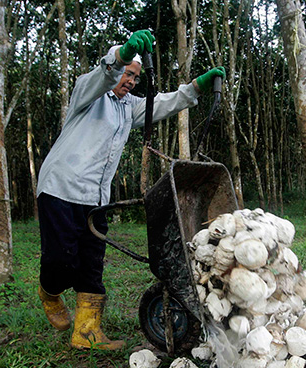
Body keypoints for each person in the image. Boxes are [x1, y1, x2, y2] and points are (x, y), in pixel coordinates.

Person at [35, 29, 225, 350]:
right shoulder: (88, 93)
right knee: (61, 261)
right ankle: (49, 291)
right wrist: (122, 56)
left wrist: (195, 87)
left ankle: (86, 333)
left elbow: (161, 104)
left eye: (136, 77)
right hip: (61, 188)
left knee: (92, 262)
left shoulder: (128, 108)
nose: (131, 81)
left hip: (97, 199)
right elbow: (104, 74)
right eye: (127, 73)